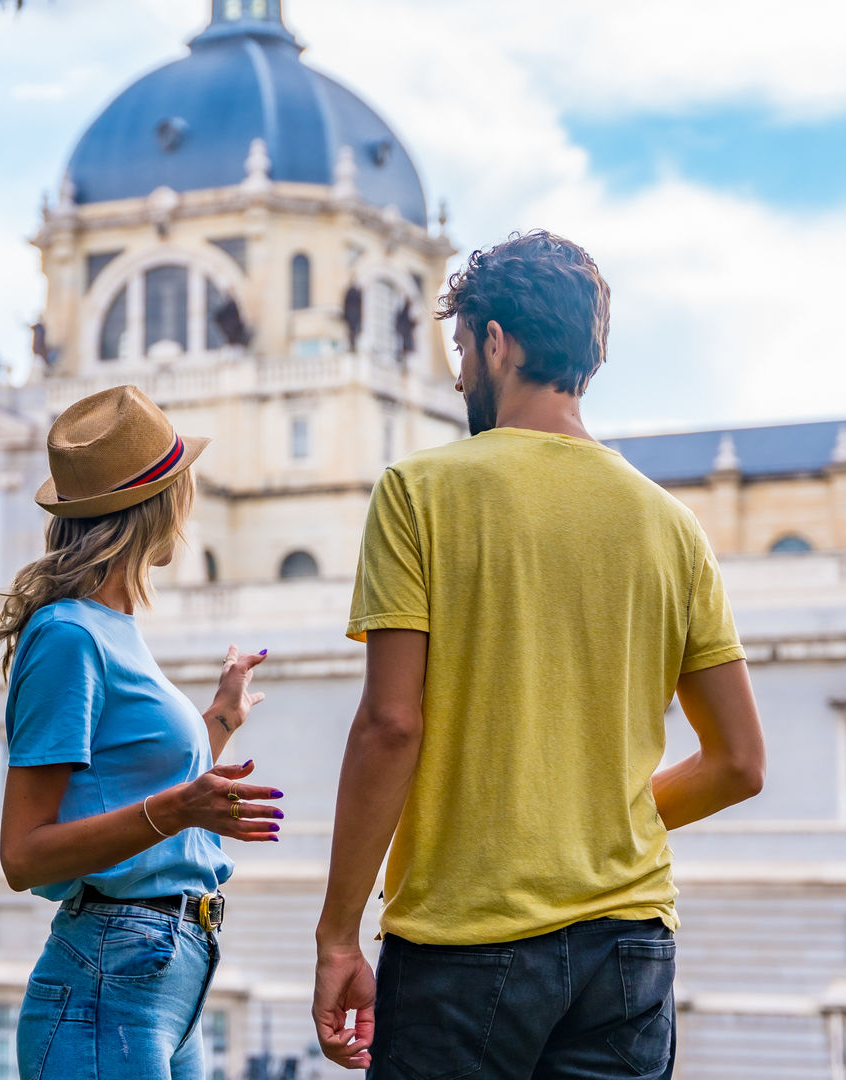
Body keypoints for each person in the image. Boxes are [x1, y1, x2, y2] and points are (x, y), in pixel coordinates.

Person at [311, 232, 767, 1078]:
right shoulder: (671, 525)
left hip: (463, 945)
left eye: (460, 348)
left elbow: (391, 725)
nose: (456, 377)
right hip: (630, 950)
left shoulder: (419, 493)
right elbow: (739, 763)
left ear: (496, 342)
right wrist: (593, 824)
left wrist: (338, 934)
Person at [0, 385, 285, 1080]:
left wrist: (218, 722)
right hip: (110, 971)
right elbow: (24, 856)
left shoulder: (110, 630)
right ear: (159, 506)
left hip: (160, 972)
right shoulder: (67, 636)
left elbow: (126, 792)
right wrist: (182, 807)